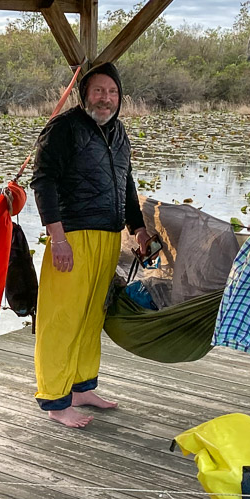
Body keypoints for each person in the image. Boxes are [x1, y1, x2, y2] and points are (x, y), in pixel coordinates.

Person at [30, 59, 150, 428]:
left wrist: (139, 228)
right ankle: (54, 399)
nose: (106, 98)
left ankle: (81, 387)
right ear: (85, 95)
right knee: (62, 319)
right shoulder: (63, 129)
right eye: (99, 91)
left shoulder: (119, 133)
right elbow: (44, 181)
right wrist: (57, 237)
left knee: (90, 316)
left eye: (112, 92)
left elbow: (126, 184)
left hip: (109, 236)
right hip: (72, 236)